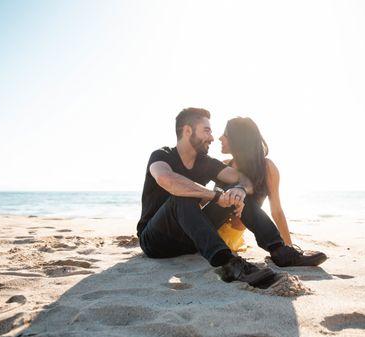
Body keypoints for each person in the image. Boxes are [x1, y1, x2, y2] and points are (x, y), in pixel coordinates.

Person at [137, 107, 327, 288]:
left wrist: (240, 190)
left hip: (189, 242)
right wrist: (214, 195)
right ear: (187, 131)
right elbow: (165, 179)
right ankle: (229, 264)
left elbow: (243, 179)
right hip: (155, 241)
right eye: (207, 131)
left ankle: (280, 250)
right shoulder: (162, 156)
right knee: (182, 196)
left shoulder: (206, 163)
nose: (212, 137)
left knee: (231, 188)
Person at [217, 117, 299, 251]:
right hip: (212, 229)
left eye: (225, 134)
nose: (220, 138)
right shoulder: (225, 166)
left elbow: (276, 210)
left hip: (230, 236)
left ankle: (280, 249)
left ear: (239, 139)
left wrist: (289, 246)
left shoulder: (266, 167)